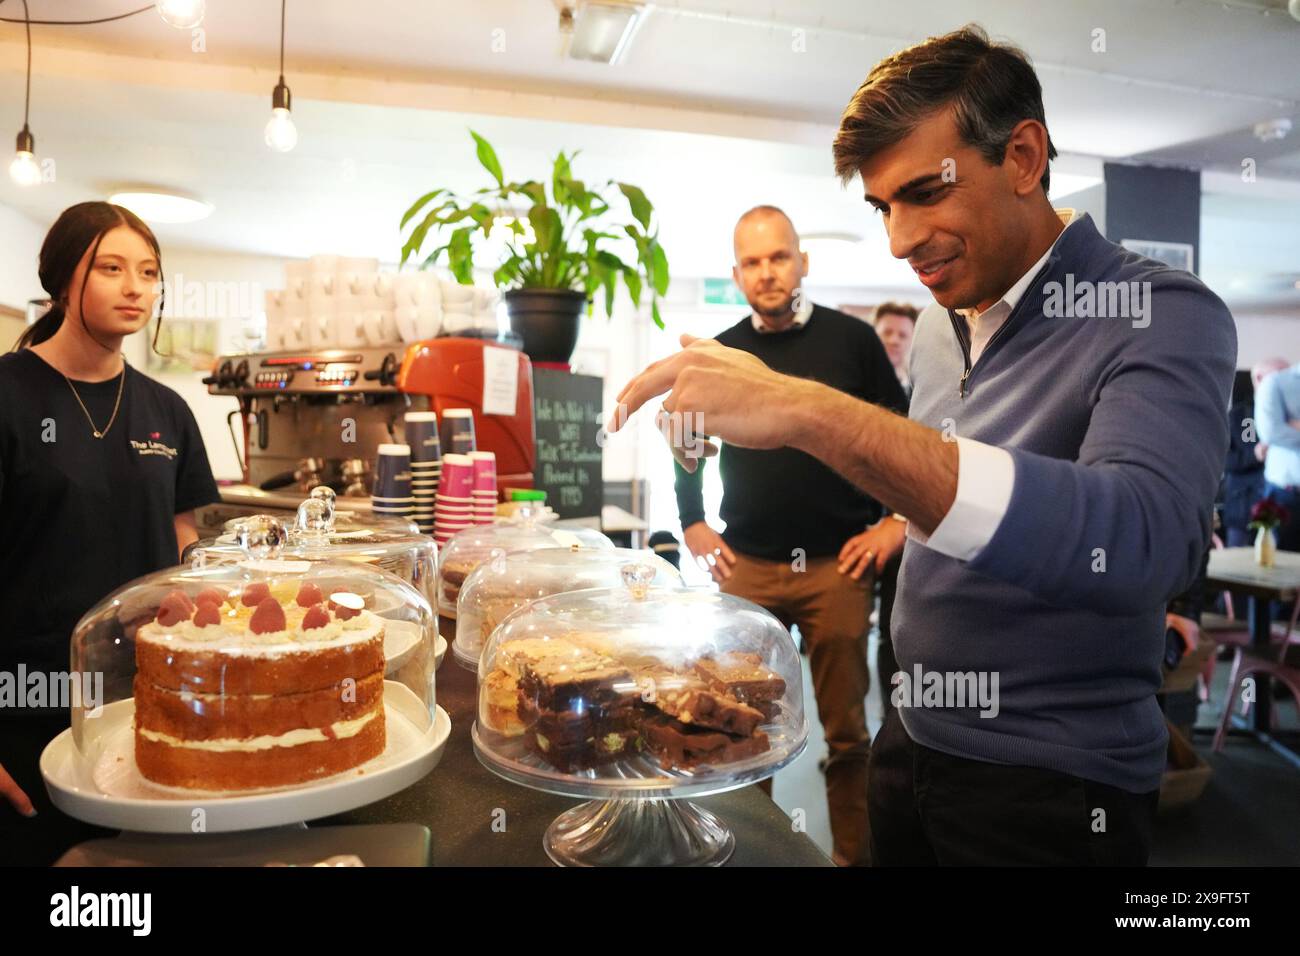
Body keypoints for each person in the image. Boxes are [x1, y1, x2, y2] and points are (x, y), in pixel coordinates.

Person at [610, 25, 1235, 865]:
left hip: (1052, 781)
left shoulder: (1162, 311)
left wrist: (810, 411)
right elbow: (932, 482)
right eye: (883, 208)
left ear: (1022, 157)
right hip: (911, 736)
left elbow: (1142, 543)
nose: (899, 240)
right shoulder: (943, 326)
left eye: (925, 193)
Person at [672, 204, 906, 866]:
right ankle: (753, 856)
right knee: (740, 732)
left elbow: (905, 432)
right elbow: (686, 439)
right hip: (746, 568)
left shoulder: (852, 343)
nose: (767, 273)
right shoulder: (721, 353)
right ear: (736, 274)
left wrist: (896, 522)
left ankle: (850, 860)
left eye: (778, 258)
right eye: (752, 262)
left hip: (839, 567)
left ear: (802, 262)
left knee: (848, 737)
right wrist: (691, 520)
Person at [0, 201, 221, 864]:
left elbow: (184, 546)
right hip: (23, 707)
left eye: (149, 272)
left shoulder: (168, 410)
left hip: (144, 706)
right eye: (112, 268)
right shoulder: (8, 396)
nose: (136, 287)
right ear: (63, 280)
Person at [1221, 361, 1283, 547]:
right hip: (1243, 510)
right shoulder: (1242, 416)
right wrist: (1255, 455)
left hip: (1281, 512)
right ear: (1259, 379)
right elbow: (1226, 460)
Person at [1253, 357, 1300, 551]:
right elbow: (1271, 431)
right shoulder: (1276, 384)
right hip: (1286, 494)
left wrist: (1294, 425)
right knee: (1280, 562)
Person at [868, 301, 918, 397]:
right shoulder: (855, 381)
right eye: (887, 332)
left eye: (903, 335)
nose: (894, 340)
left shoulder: (919, 391)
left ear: (913, 341)